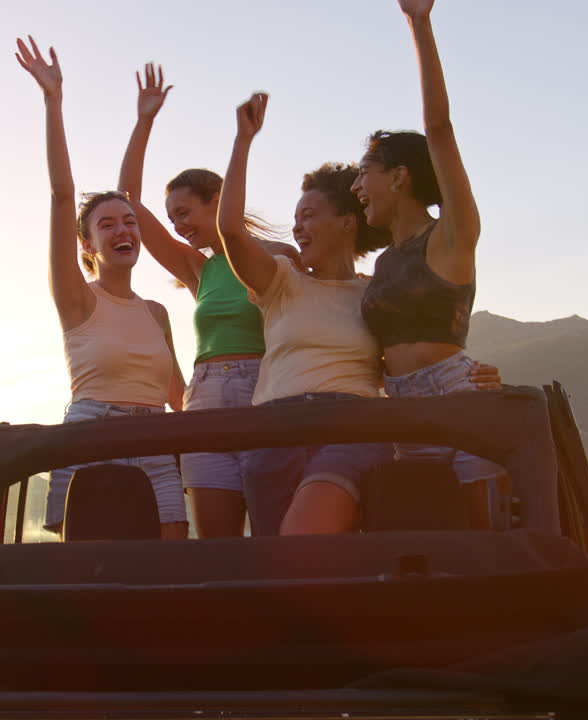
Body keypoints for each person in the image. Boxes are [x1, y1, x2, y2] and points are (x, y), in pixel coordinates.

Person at [116, 64, 300, 538]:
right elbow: (128, 201)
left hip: (267, 392)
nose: (178, 227)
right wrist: (145, 122)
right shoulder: (199, 270)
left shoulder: (280, 258)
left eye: (184, 213)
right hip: (205, 398)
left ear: (217, 200)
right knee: (215, 546)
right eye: (173, 218)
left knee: (274, 540)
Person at [15, 37, 188, 539]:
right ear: (88, 244)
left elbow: (178, 395)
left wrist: (145, 121)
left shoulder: (156, 312)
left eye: (130, 222)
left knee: (172, 561)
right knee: (87, 570)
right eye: (107, 225)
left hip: (155, 437)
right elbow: (61, 194)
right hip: (90, 435)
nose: (124, 231)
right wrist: (53, 101)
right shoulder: (77, 298)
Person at [353, 0, 509, 528]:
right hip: (403, 413)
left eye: (364, 172)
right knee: (431, 538)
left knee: (486, 536)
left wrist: (419, 26)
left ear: (399, 177)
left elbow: (439, 128)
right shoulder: (380, 265)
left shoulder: (451, 236)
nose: (356, 188)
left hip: (462, 401)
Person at [216, 92, 395, 537]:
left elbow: (410, 362)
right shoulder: (281, 281)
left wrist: (469, 373)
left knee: (302, 540)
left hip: (350, 429)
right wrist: (243, 140)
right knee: (284, 575)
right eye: (295, 217)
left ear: (348, 222)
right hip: (273, 436)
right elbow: (231, 231)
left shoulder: (377, 291)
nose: (296, 227)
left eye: (309, 215)